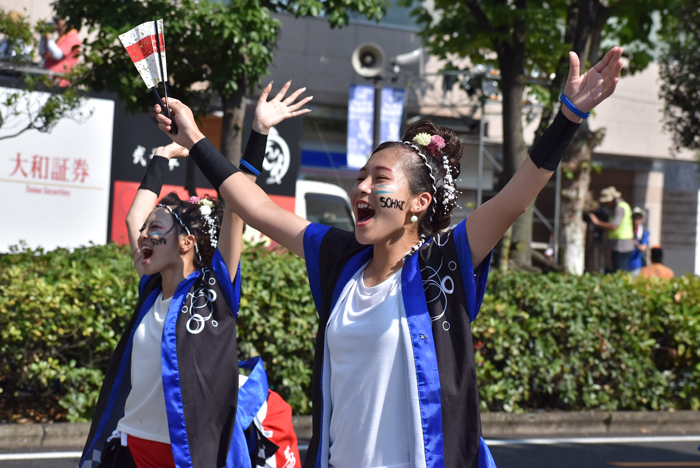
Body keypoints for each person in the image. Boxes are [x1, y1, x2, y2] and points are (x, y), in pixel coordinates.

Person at [154, 47, 624, 468]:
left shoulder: (444, 263)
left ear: (418, 203)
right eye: (360, 177)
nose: (361, 188)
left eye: (379, 179)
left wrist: (567, 117)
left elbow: (513, 200)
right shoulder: (340, 260)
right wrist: (195, 136)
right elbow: (253, 206)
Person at [79, 82, 311, 468]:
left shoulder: (213, 291)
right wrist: (159, 157)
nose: (144, 237)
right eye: (146, 232)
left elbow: (239, 205)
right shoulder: (152, 288)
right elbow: (133, 216)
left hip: (187, 454)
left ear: (186, 243)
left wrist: (260, 130)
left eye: (156, 230)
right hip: (132, 449)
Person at [588, 186, 634, 272]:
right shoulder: (619, 206)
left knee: (619, 272)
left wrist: (597, 222)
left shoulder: (619, 208)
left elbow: (614, 226)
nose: (606, 205)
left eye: (607, 202)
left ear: (613, 199)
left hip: (621, 246)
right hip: (619, 245)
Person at [39, 15, 81, 86]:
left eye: (58, 24)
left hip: (60, 83)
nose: (57, 27)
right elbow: (43, 53)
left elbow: (57, 55)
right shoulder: (62, 38)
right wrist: (44, 37)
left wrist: (49, 38)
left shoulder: (72, 37)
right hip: (49, 81)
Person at [628, 207, 649, 276]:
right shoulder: (627, 230)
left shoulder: (643, 232)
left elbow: (643, 248)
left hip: (637, 265)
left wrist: (636, 243)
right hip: (626, 263)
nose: (636, 220)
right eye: (635, 217)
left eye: (639, 218)